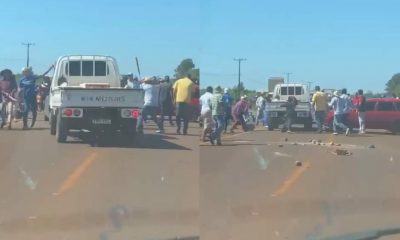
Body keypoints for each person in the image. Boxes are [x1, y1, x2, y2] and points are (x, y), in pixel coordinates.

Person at [19, 65, 54, 129]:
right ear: (23, 73)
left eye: (27, 71)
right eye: (24, 72)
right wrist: (19, 98)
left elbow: (42, 75)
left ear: (29, 72)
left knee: (34, 111)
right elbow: (20, 89)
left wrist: (50, 69)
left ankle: (33, 123)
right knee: (26, 110)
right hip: (26, 97)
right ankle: (25, 125)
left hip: (33, 97)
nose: (26, 73)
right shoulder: (21, 80)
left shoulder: (33, 77)